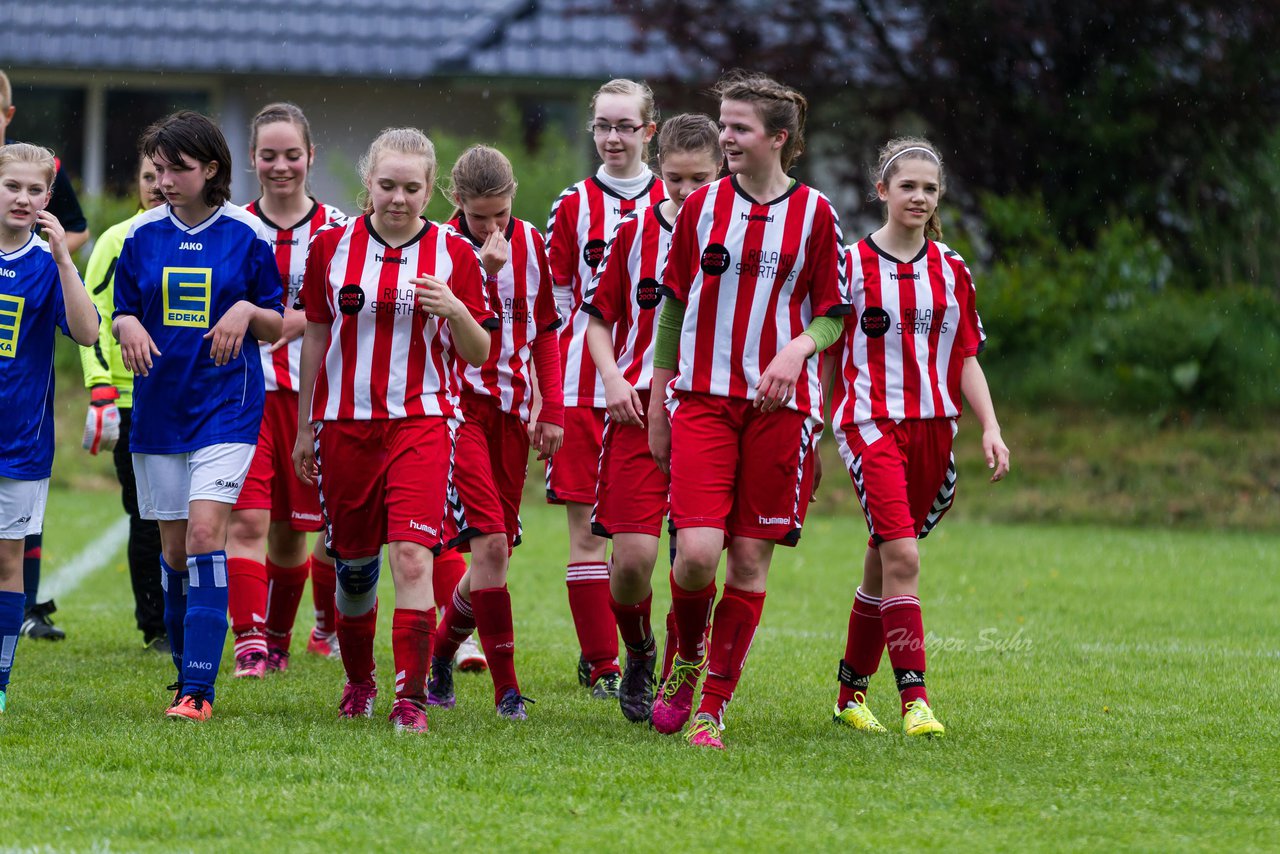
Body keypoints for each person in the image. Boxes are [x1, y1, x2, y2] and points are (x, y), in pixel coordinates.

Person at [647, 71, 849, 749]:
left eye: (738, 128)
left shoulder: (818, 215)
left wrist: (797, 348)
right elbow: (672, 304)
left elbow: (833, 315)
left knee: (750, 562)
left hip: (780, 414)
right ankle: (685, 661)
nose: (724, 137)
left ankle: (714, 706)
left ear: (777, 138)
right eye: (723, 124)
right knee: (697, 556)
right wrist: (656, 397)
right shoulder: (700, 208)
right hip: (702, 402)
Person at [292, 127, 496, 734]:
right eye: (387, 186)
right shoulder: (330, 247)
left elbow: (480, 352)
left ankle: (409, 700)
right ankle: (360, 681)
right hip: (345, 427)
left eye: (412, 188)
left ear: (431, 189)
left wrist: (456, 308)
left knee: (412, 558)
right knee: (354, 569)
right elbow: (316, 339)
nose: (398, 199)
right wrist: (307, 426)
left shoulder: (454, 254)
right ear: (368, 184)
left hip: (423, 422)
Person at [828, 138, 1009, 738]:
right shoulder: (849, 266)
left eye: (930, 188)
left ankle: (849, 695)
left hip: (935, 428)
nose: (919, 197)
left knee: (883, 561)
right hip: (870, 424)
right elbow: (827, 346)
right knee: (903, 555)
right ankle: (916, 702)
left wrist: (990, 426)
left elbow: (965, 356)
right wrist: (816, 417)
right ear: (882, 191)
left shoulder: (952, 269)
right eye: (907, 185)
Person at [113, 111, 284, 722]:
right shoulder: (139, 236)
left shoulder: (247, 234)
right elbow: (121, 308)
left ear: (211, 169)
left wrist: (244, 310)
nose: (163, 180)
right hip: (159, 408)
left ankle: (198, 691)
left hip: (225, 408)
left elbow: (281, 319)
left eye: (177, 169)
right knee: (176, 547)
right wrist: (126, 321)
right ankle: (187, 667)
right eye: (157, 169)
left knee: (209, 534)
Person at [581, 113, 720, 723]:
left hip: (708, 408)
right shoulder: (634, 232)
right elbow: (597, 319)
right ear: (657, 171)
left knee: (697, 556)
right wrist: (611, 378)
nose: (686, 192)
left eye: (700, 179)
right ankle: (639, 651)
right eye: (674, 179)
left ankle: (686, 665)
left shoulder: (739, 236)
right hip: (638, 409)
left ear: (722, 173)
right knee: (632, 561)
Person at [425, 144, 564, 720]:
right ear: (456, 201)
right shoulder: (436, 248)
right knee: (490, 544)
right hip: (457, 412)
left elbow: (546, 331)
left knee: (495, 558)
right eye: (479, 215)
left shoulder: (531, 243)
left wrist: (551, 407)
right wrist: (479, 273)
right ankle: (508, 690)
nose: (490, 226)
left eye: (499, 214)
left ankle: (439, 657)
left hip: (510, 416)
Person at [545, 78, 664, 699]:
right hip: (584, 389)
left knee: (648, 537)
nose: (613, 138)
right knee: (589, 530)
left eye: (625, 126)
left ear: (650, 131)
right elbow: (557, 299)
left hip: (657, 391)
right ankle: (602, 664)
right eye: (602, 126)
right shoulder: (571, 205)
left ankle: (652, 649)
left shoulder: (677, 199)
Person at [224, 103, 346, 679]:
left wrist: (284, 320)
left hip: (312, 399)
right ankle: (248, 640)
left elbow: (347, 310)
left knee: (294, 530)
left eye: (291, 155)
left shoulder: (339, 229)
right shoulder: (231, 225)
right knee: (245, 521)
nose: (280, 166)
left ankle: (277, 638)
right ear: (252, 158)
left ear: (310, 157)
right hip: (243, 393)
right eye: (268, 155)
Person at [0, 143, 99, 713]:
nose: (23, 198)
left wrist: (65, 260)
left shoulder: (46, 263)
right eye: (12, 185)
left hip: (20, 442)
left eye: (35, 190)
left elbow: (87, 333)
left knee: (6, 560)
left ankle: (1, 682)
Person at [78, 153, 168, 652]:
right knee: (147, 515)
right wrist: (101, 388)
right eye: (148, 176)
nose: (158, 184)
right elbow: (91, 317)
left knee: (196, 517)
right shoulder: (118, 239)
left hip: (190, 399)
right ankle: (155, 626)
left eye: (168, 174)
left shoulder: (209, 235)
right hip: (132, 401)